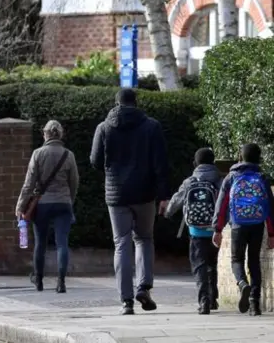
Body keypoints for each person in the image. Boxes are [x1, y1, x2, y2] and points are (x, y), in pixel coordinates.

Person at [89, 88, 169, 315]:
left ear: (117, 103)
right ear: (136, 102)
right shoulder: (151, 126)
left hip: (116, 195)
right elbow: (160, 163)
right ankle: (143, 287)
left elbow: (95, 161)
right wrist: (164, 195)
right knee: (144, 239)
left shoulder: (104, 128)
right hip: (144, 193)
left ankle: (126, 301)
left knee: (122, 243)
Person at [15, 120, 79, 293]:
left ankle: (39, 280)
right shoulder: (69, 155)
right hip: (63, 203)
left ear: (46, 134)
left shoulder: (38, 154)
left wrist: (20, 206)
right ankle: (61, 282)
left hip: (42, 204)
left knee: (40, 244)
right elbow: (74, 183)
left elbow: (29, 184)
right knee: (62, 244)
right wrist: (69, 201)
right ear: (60, 134)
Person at [212, 143, 274, 316]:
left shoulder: (231, 177)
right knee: (254, 261)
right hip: (257, 224)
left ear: (241, 157)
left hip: (238, 224)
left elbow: (222, 205)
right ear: (259, 158)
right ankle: (255, 304)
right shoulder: (262, 177)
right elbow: (270, 207)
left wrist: (217, 229)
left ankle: (242, 283)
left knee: (236, 259)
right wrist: (272, 232)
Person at [164, 148, 222, 314]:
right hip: (214, 232)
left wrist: (168, 212)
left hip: (196, 231)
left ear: (195, 163)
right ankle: (213, 299)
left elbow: (177, 199)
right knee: (212, 264)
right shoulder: (219, 181)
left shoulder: (190, 181)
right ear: (213, 162)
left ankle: (204, 300)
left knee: (199, 266)